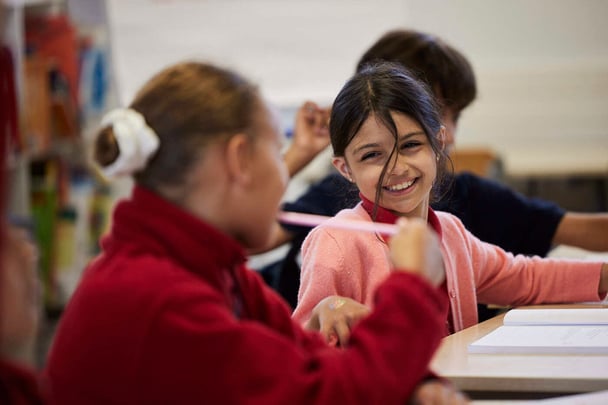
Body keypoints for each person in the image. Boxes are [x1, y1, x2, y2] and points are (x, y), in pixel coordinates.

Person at [44, 61, 467, 404]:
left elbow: (308, 362)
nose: (285, 172)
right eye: (275, 145)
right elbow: (327, 397)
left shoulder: (217, 272)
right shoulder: (159, 299)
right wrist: (411, 287)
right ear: (240, 159)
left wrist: (416, 385)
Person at [262, 29, 608, 310]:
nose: (396, 167)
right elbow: (308, 348)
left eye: (411, 145)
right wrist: (327, 315)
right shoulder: (333, 241)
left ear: (438, 142)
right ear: (345, 169)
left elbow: (524, 278)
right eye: (372, 155)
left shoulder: (453, 234)